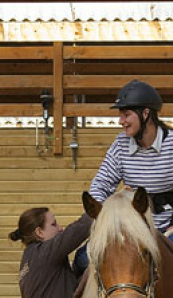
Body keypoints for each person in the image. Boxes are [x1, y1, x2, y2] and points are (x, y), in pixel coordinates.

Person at [74, 79, 173, 273]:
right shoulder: (120, 144)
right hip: (130, 230)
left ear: (145, 114)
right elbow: (100, 186)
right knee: (82, 260)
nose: (121, 121)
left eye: (126, 115)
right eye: (121, 115)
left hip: (168, 229)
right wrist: (107, 215)